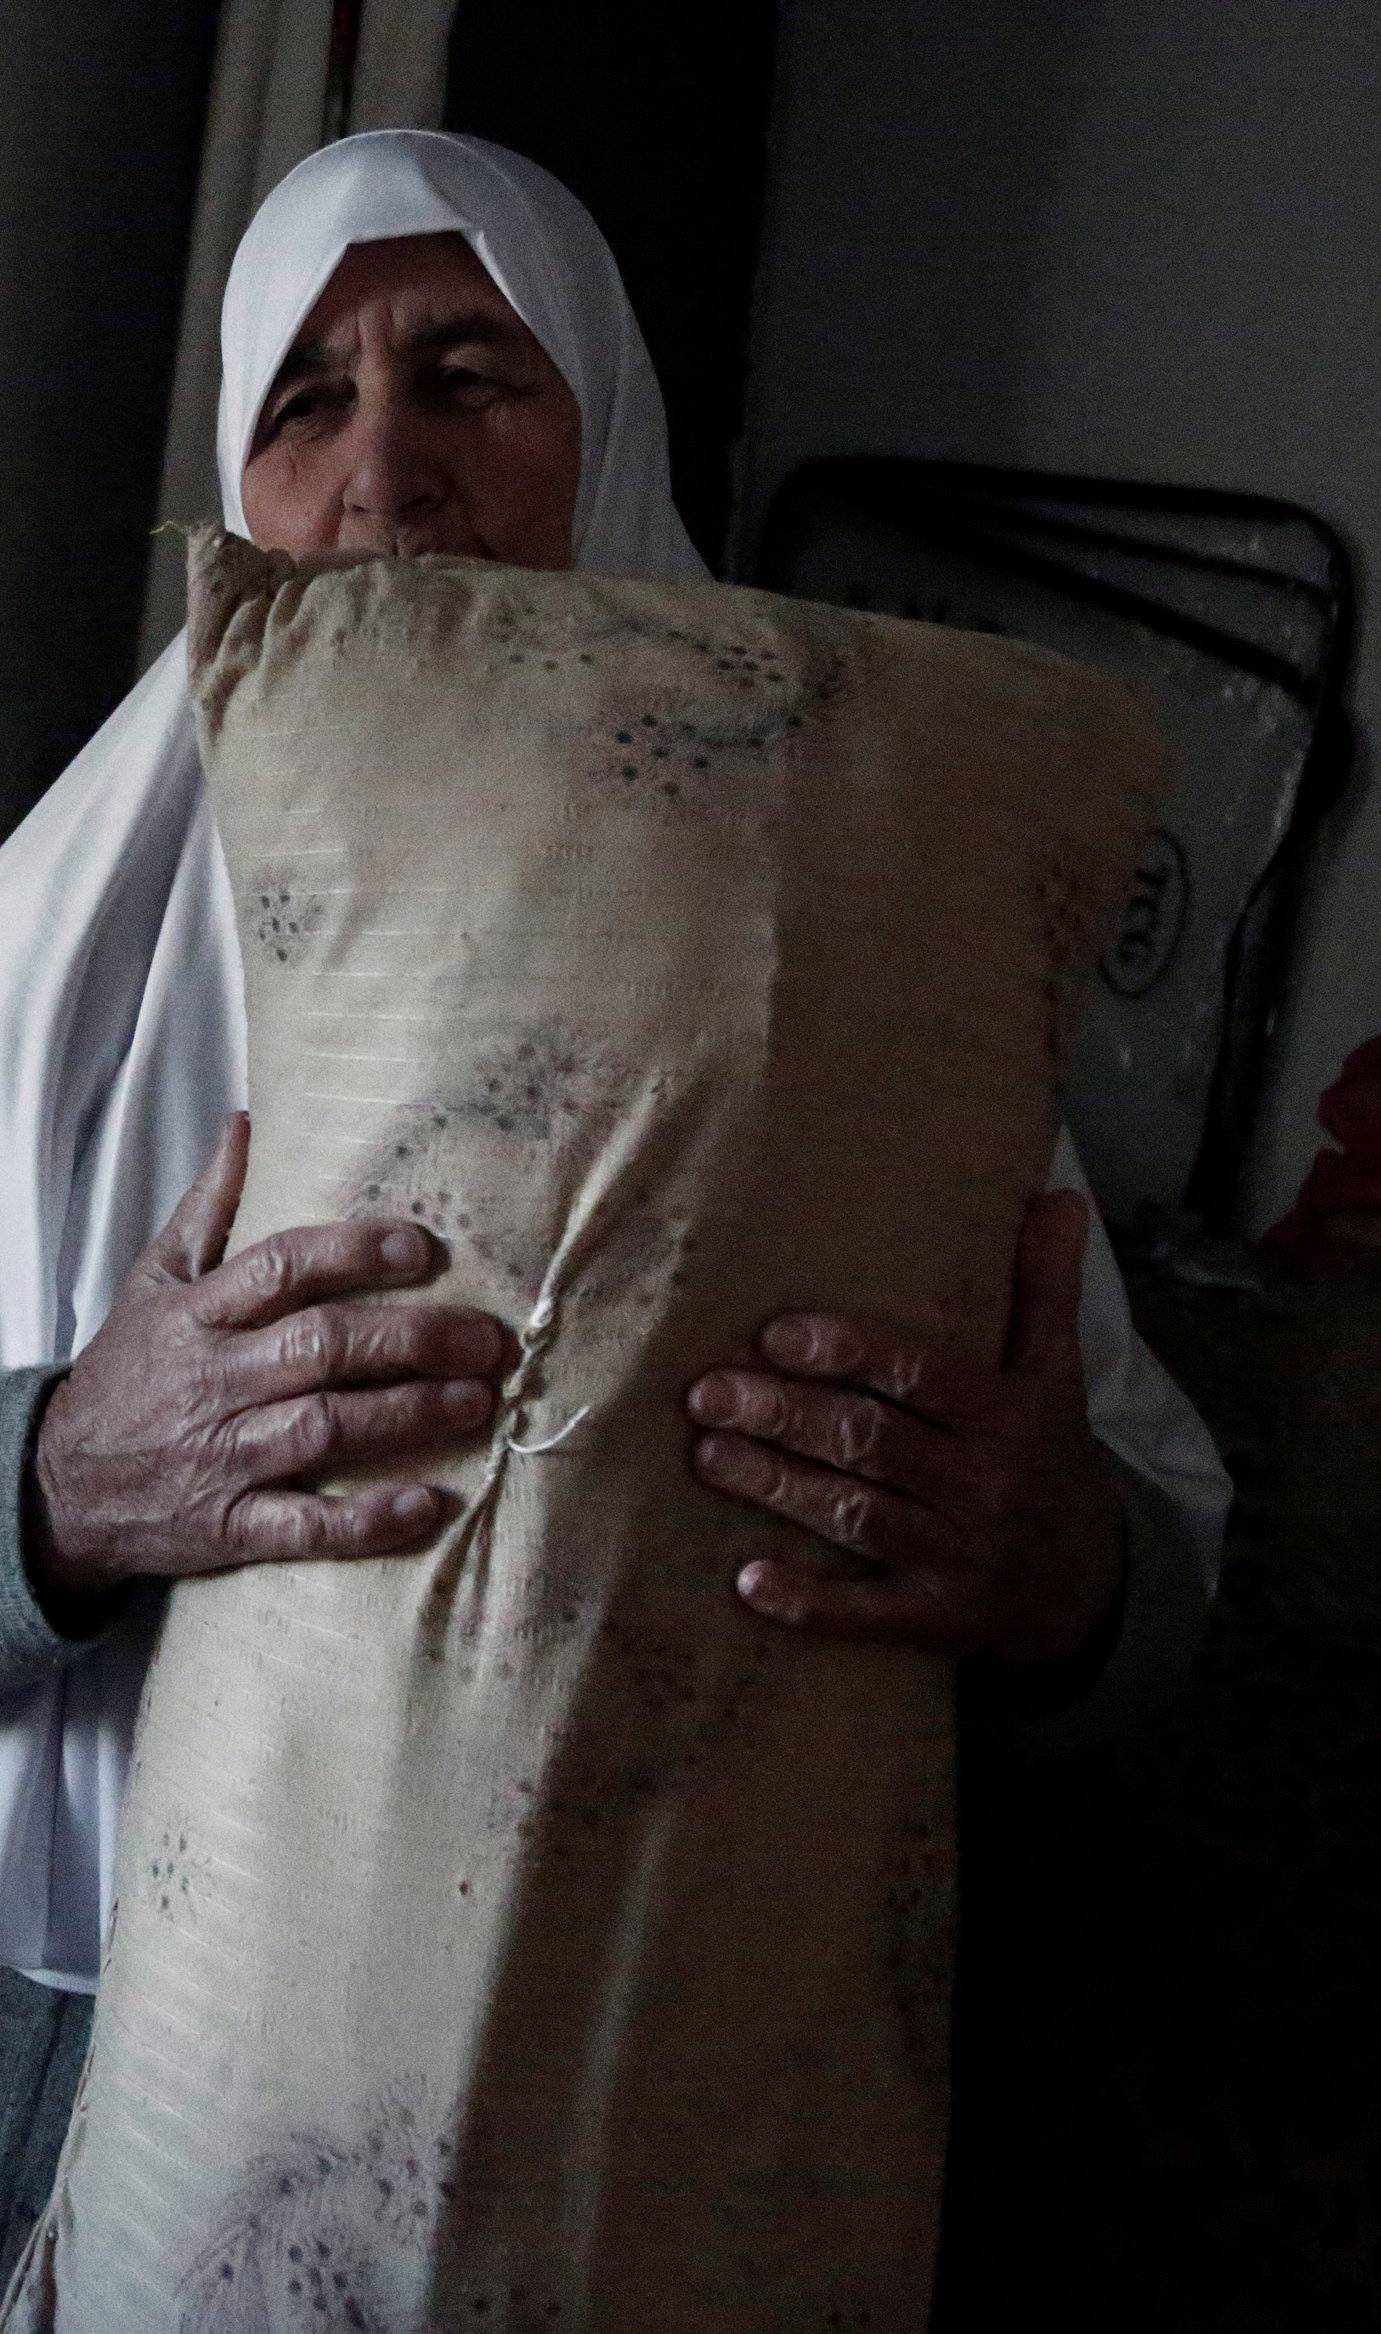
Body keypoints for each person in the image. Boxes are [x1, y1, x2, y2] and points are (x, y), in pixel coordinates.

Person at [0, 129, 1232, 2272]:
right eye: (309, 402)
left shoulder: (860, 942)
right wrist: (54, 1482)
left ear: (611, 436)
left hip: (635, 2079)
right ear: (238, 477)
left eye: (471, 376)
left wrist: (1063, 1570)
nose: (385, 475)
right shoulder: (38, 951)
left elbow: (1156, 1577)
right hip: (63, 2033)